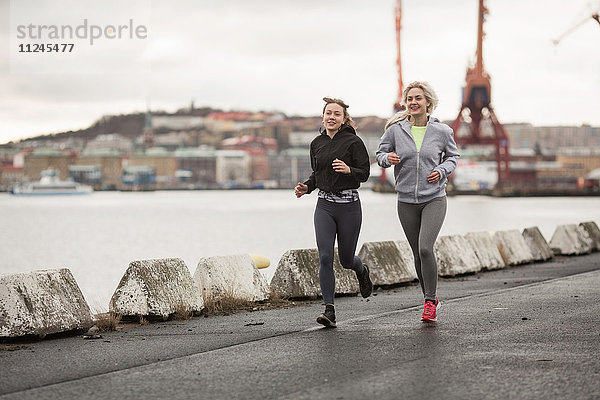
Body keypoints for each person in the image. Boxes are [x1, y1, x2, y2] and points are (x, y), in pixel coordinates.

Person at [376, 81, 459, 322]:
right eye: (410, 98)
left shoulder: (442, 131)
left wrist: (442, 170)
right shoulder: (395, 130)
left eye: (418, 98)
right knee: (416, 253)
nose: (413, 102)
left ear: (428, 103)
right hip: (405, 200)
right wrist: (387, 158)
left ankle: (430, 300)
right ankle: (429, 300)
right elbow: (379, 154)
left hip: (434, 197)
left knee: (425, 248)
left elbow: (453, 156)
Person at [295, 97, 373, 328]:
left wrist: (350, 170)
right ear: (323, 117)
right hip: (325, 206)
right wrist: (306, 187)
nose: (331, 117)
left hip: (349, 206)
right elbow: (316, 175)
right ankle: (329, 310)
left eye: (336, 114)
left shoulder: (353, 142)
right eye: (328, 113)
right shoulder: (316, 143)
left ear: (343, 119)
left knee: (346, 259)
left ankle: (361, 269)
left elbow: (365, 173)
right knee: (325, 256)